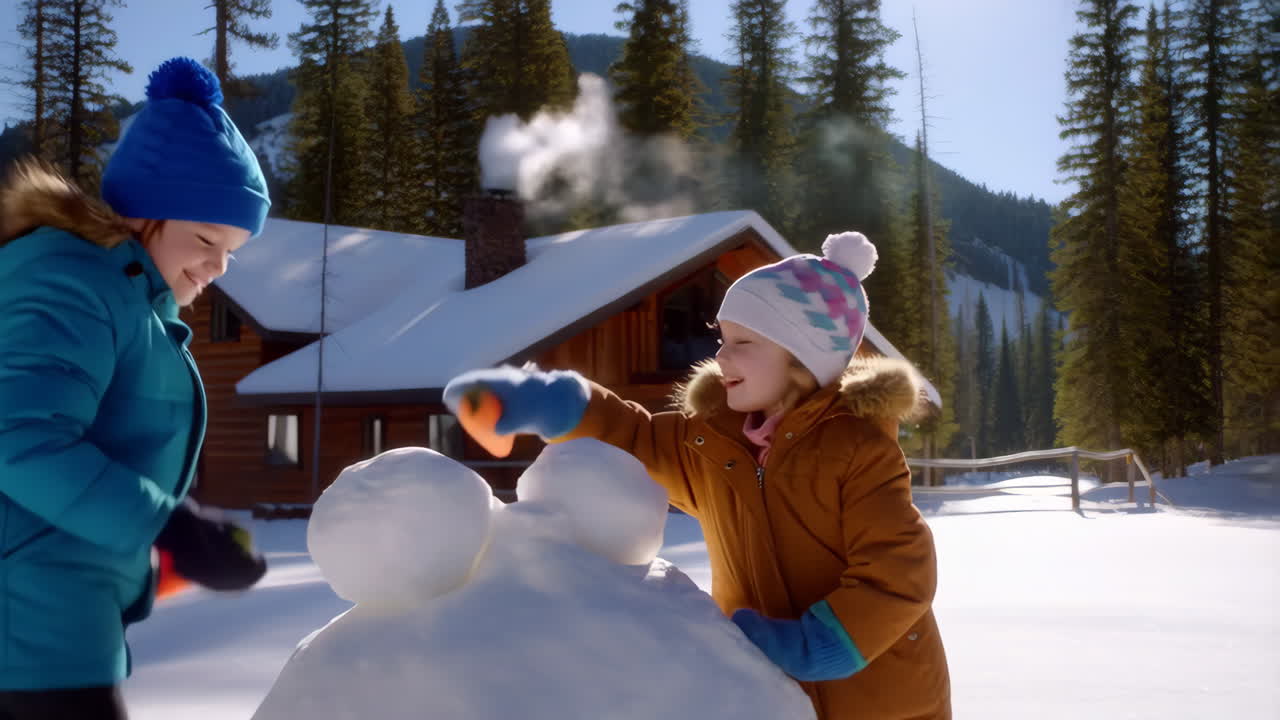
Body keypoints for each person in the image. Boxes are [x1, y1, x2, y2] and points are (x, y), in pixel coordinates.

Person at [444, 232, 952, 719]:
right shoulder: (711, 443)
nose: (722, 356)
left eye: (744, 342)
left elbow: (900, 569)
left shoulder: (857, 448)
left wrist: (829, 644)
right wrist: (552, 402)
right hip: (768, 687)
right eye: (723, 339)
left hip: (877, 692)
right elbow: (635, 438)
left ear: (803, 358)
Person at [0, 56, 269, 719]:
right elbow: (17, 434)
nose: (217, 265)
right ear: (145, 216)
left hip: (67, 620)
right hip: (31, 625)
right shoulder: (71, 284)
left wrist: (166, 546)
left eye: (232, 249)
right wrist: (165, 523)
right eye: (207, 237)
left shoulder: (130, 305)